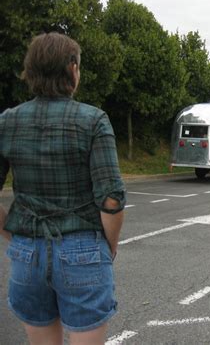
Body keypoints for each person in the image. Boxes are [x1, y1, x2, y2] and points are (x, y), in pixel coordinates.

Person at [0, 32, 126, 345]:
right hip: (83, 248)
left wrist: (12, 235)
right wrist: (108, 245)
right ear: (72, 69)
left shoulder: (7, 122)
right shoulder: (94, 120)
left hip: (27, 251)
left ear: (31, 71)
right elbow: (111, 198)